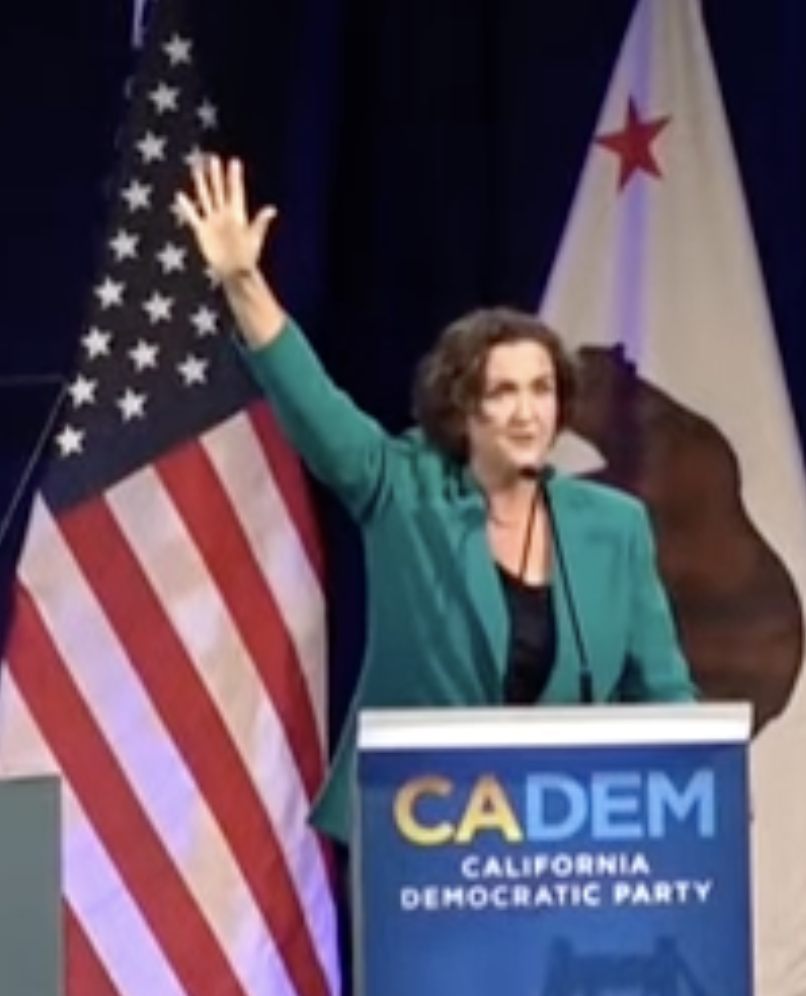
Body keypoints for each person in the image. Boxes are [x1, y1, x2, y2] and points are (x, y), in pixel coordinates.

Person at [173, 154, 700, 847]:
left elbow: (663, 690)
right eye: (502, 392)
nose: (527, 412)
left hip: (569, 839)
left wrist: (706, 784)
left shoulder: (612, 526)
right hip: (420, 830)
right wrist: (244, 282)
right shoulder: (403, 490)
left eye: (542, 390)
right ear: (461, 407)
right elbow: (315, 406)